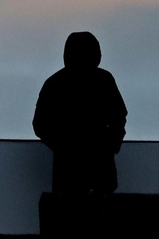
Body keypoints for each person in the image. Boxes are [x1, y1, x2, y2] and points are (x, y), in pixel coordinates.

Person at [32, 31, 128, 194]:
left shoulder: (56, 83)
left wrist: (109, 145)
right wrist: (67, 147)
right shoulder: (102, 80)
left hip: (84, 170)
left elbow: (119, 116)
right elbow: (40, 125)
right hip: (79, 171)